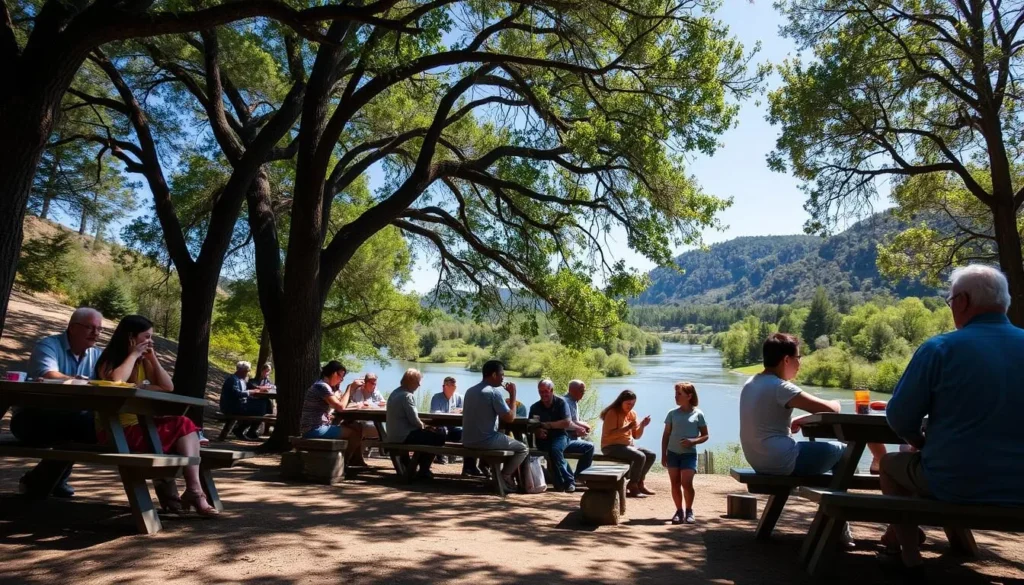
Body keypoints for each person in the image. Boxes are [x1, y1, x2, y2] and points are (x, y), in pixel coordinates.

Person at [878, 265, 1024, 573]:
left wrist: (918, 441)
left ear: (963, 301)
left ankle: (909, 557)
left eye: (951, 300)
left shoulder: (940, 348)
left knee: (892, 464)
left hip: (957, 483)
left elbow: (900, 416)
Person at [94, 315, 217, 516]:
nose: (150, 341)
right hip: (116, 432)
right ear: (131, 337)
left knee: (186, 426)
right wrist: (133, 355)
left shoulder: (144, 362)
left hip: (139, 428)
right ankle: (194, 493)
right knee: (184, 428)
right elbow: (115, 381)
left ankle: (194, 491)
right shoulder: (109, 359)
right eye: (147, 337)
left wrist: (152, 358)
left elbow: (168, 386)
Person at [12, 307, 104, 497]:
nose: (96, 333)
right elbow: (49, 374)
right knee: (87, 426)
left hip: (72, 419)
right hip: (32, 419)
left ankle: (44, 479)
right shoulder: (48, 346)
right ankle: (49, 479)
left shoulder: (97, 355)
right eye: (90, 327)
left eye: (99, 329)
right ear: (72, 327)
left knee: (89, 425)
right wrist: (82, 381)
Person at [740, 333, 844, 476]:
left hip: (758, 461)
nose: (799, 363)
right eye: (798, 358)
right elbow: (831, 410)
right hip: (782, 460)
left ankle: (831, 494)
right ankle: (838, 496)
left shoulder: (751, 383)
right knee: (846, 452)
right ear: (787, 360)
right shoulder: (780, 387)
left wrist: (797, 420)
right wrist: (836, 403)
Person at [462, 360, 529, 492]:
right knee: (523, 449)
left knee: (502, 438)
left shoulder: (470, 391)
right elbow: (510, 418)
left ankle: (492, 471)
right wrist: (513, 395)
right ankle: (505, 475)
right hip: (486, 441)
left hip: (467, 440)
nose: (503, 378)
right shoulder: (493, 393)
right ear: (494, 375)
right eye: (502, 374)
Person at [529, 379, 594, 493]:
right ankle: (567, 481)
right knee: (554, 451)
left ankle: (571, 480)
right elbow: (530, 425)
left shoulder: (560, 403)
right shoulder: (535, 407)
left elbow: (566, 422)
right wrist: (537, 431)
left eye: (546, 391)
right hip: (543, 440)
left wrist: (548, 425)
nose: (543, 394)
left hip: (560, 436)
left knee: (556, 449)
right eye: (541, 392)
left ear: (552, 390)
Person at [298, 360, 365, 467]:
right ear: (334, 373)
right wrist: (349, 388)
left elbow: (339, 405)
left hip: (317, 426)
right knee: (354, 433)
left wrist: (353, 400)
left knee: (357, 426)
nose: (341, 380)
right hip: (314, 429)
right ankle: (343, 463)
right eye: (341, 377)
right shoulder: (322, 387)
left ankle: (356, 461)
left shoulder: (322, 385)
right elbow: (340, 407)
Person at [662, 382, 708, 524]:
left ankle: (689, 510)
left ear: (689, 396)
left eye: (679, 394)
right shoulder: (672, 414)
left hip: (689, 454)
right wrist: (664, 454)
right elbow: (666, 435)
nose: (676, 397)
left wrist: (692, 441)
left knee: (686, 483)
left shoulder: (698, 414)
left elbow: (705, 435)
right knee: (675, 484)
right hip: (673, 453)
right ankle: (679, 511)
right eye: (675, 394)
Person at [387, 368, 445, 479]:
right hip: (404, 436)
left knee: (430, 436)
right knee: (440, 435)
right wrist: (426, 427)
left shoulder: (395, 393)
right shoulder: (407, 396)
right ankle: (423, 469)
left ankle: (413, 465)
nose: (419, 385)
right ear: (411, 381)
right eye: (418, 382)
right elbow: (414, 420)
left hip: (393, 435)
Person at [600, 389, 656, 497]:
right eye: (628, 404)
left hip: (627, 446)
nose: (630, 406)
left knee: (651, 455)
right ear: (621, 402)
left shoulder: (632, 414)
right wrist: (628, 427)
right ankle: (633, 485)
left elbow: (636, 436)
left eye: (633, 404)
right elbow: (609, 435)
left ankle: (640, 482)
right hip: (611, 446)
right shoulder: (612, 413)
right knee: (640, 456)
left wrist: (643, 425)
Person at [429, 377, 482, 476]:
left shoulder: (460, 398)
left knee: (470, 435)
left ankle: (469, 468)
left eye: (454, 385)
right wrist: (452, 412)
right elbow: (435, 413)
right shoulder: (437, 397)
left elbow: (465, 411)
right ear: (444, 386)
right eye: (451, 385)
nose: (453, 387)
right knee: (439, 432)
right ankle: (434, 461)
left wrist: (460, 411)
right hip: (442, 430)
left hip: (455, 429)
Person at [219, 361, 272, 440]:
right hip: (231, 407)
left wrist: (252, 393)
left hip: (238, 405)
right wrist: (250, 392)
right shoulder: (233, 380)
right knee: (261, 408)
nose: (248, 373)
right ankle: (242, 430)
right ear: (241, 370)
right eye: (247, 371)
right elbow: (236, 394)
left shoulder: (240, 379)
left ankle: (243, 430)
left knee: (263, 404)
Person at [347, 373, 385, 442]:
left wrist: (372, 404)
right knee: (380, 431)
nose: (374, 385)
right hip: (359, 419)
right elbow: (355, 405)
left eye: (375, 383)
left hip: (371, 419)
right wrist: (361, 404)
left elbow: (383, 402)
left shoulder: (375, 390)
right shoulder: (358, 390)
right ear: (366, 383)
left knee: (383, 427)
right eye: (372, 383)